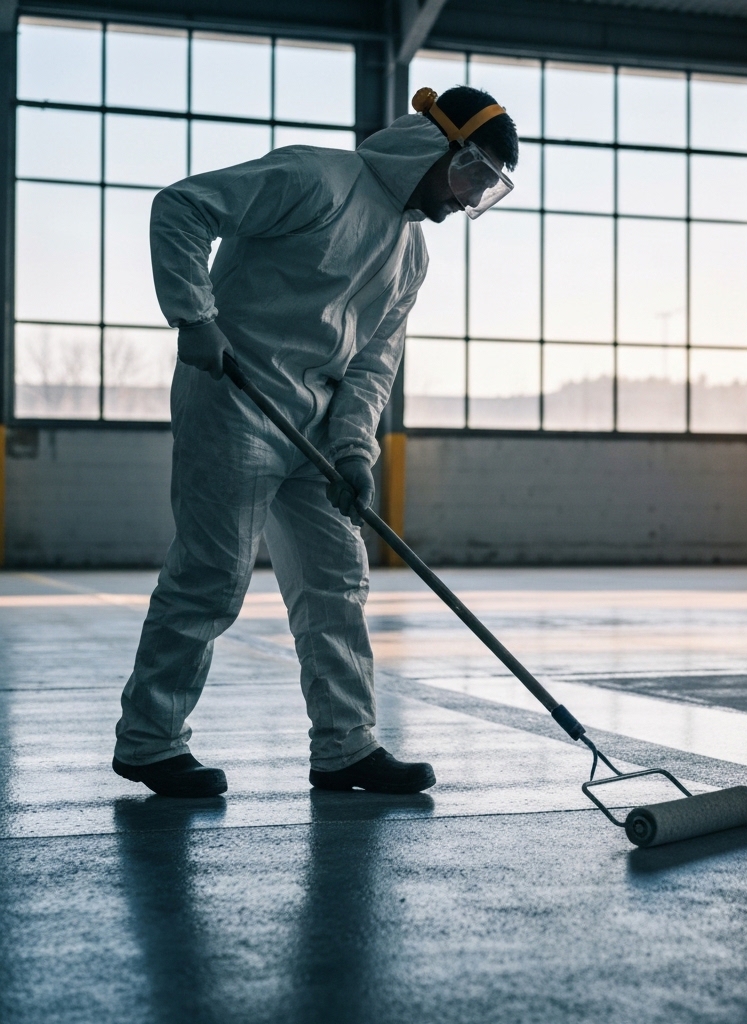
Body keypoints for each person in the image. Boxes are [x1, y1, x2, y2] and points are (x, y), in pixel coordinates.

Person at [111, 86, 519, 798]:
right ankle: (150, 741)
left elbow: (373, 362)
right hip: (234, 393)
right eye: (471, 175)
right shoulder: (317, 178)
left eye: (486, 190)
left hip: (317, 427)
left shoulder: (412, 256)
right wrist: (193, 315)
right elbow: (180, 207)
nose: (466, 200)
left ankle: (345, 747)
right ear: (436, 146)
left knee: (337, 581)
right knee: (211, 575)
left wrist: (356, 450)